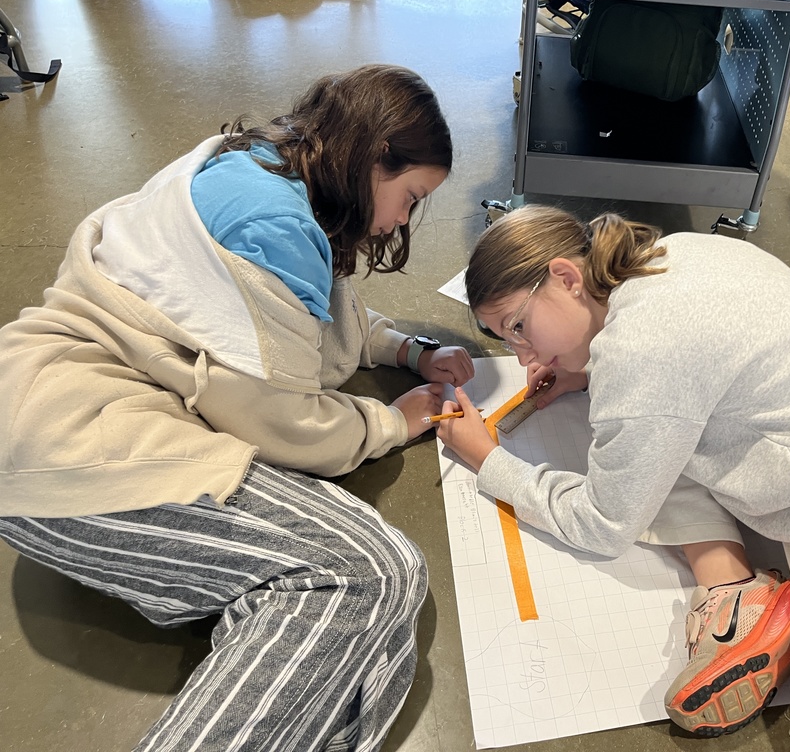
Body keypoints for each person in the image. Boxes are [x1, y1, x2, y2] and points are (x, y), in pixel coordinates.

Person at [0, 64, 472, 752]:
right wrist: (395, 420)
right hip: (70, 450)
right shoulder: (276, 229)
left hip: (37, 416)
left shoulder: (264, 168)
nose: (404, 219)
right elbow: (285, 424)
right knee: (367, 572)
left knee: (363, 621)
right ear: (374, 159)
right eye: (410, 196)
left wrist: (407, 349)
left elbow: (315, 317)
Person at [435, 205, 790, 749]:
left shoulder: (639, 351)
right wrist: (585, 377)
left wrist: (489, 459)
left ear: (565, 277)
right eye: (507, 340)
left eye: (519, 327)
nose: (523, 352)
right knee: (644, 446)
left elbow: (602, 524)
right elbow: (693, 366)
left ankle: (743, 597)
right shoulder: (675, 253)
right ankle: (738, 595)